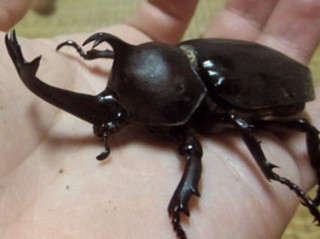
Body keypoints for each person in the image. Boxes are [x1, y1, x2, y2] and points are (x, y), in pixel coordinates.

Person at [0, 0, 320, 238]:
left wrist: (272, 175)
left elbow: (200, 148)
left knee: (296, 125)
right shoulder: (174, 55)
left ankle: (269, 174)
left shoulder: (202, 92)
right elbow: (141, 61)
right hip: (200, 62)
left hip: (281, 89)